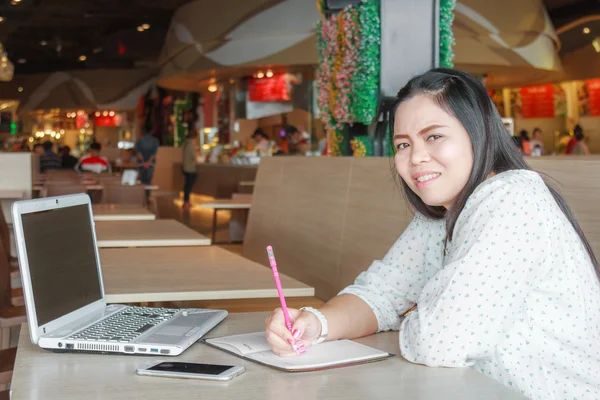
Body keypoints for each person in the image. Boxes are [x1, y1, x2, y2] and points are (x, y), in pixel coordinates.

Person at [264, 69, 600, 400]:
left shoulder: (512, 198)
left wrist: (413, 313)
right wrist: (313, 324)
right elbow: (381, 293)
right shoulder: (443, 214)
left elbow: (441, 341)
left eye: (434, 136)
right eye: (403, 144)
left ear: (477, 131)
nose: (417, 157)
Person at [135, 130, 159, 202]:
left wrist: (143, 162)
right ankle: (147, 198)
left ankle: (142, 198)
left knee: (142, 181)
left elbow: (138, 153)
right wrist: (148, 162)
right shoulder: (155, 141)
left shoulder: (139, 141)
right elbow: (153, 154)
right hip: (150, 164)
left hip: (141, 164)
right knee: (148, 182)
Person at [181, 129, 198, 210]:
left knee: (187, 185)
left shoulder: (185, 144)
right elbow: (194, 157)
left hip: (186, 168)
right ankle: (186, 202)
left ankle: (186, 202)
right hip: (191, 168)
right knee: (188, 186)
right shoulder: (191, 145)